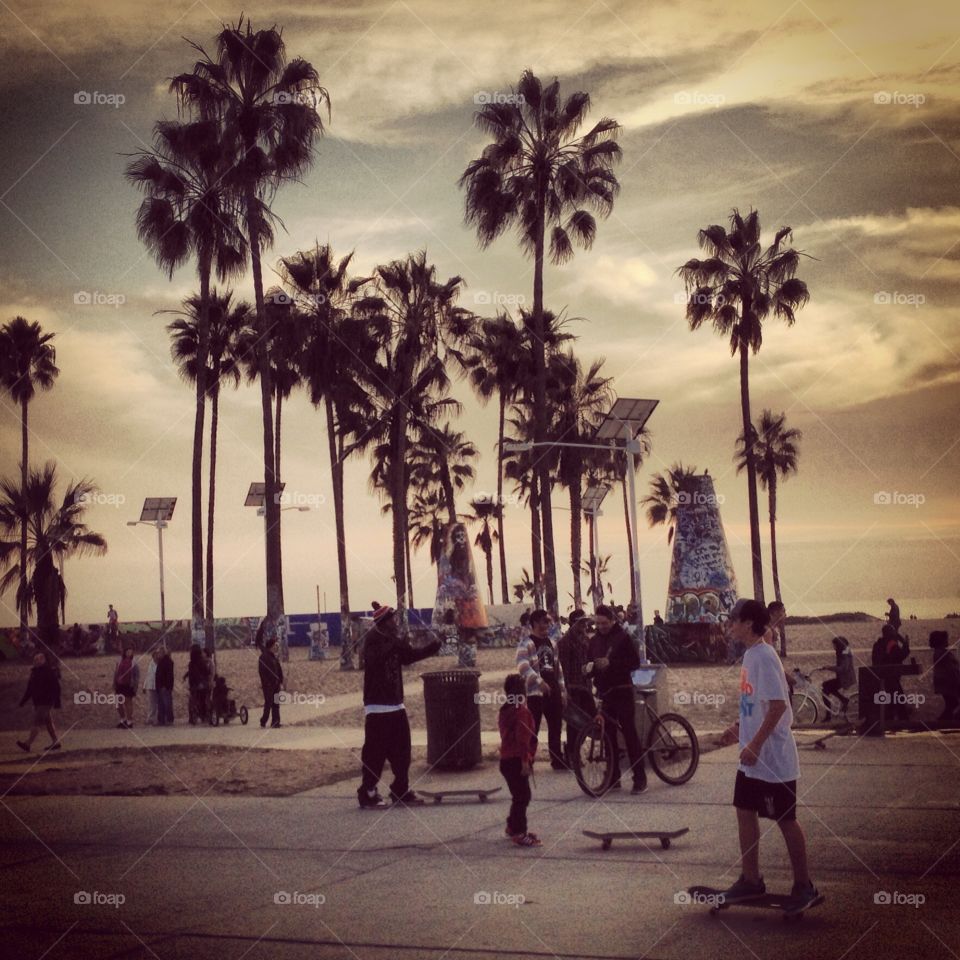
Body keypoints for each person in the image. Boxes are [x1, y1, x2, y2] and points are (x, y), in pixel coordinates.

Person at [716, 599, 819, 914]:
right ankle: (750, 879)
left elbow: (777, 707)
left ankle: (804, 886)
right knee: (744, 810)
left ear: (748, 623)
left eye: (733, 620)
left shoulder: (764, 656)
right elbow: (756, 704)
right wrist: (738, 728)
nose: (729, 625)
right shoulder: (750, 656)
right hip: (751, 758)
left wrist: (756, 744)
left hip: (771, 759)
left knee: (785, 819)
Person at [357, 602, 442, 808]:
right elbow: (373, 659)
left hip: (396, 704)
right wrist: (395, 642)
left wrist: (432, 648)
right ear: (384, 623)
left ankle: (400, 789)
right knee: (375, 753)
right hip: (377, 707)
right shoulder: (372, 639)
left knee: (402, 752)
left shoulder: (392, 639)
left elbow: (408, 657)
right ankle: (367, 792)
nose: (396, 623)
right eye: (392, 619)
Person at [587, 604, 647, 793]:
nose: (601, 626)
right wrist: (589, 669)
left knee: (629, 734)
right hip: (605, 693)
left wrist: (611, 663)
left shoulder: (623, 637)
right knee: (608, 735)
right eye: (598, 623)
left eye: (604, 623)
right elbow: (592, 663)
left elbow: (634, 663)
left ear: (612, 620)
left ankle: (640, 779)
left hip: (622, 690)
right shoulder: (594, 640)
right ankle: (614, 777)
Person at [516, 609, 567, 770]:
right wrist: (539, 682)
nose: (548, 624)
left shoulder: (552, 643)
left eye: (548, 621)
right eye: (545, 621)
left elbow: (558, 667)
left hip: (554, 692)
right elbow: (523, 667)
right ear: (536, 623)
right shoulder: (526, 643)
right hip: (535, 694)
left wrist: (562, 691)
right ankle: (528, 760)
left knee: (555, 727)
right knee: (533, 728)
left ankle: (557, 759)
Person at [498, 673, 540, 846]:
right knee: (523, 796)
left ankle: (512, 825)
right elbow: (523, 739)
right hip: (517, 759)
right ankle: (519, 832)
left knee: (518, 795)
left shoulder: (505, 710)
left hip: (506, 759)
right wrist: (525, 761)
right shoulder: (522, 712)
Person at [557, 610, 595, 765]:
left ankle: (573, 749)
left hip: (586, 687)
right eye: (581, 622)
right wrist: (565, 690)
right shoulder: (565, 642)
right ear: (573, 623)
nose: (584, 625)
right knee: (574, 723)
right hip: (573, 687)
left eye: (585, 622)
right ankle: (572, 753)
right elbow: (563, 668)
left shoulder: (587, 640)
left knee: (588, 720)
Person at [16, 652, 62, 752]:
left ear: (44, 660)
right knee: (48, 722)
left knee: (36, 722)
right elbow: (30, 689)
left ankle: (28, 744)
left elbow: (56, 687)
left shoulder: (48, 671)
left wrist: (57, 702)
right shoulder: (34, 672)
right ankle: (56, 742)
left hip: (45, 702)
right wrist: (23, 701)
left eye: (39, 659)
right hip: (38, 702)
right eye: (35, 659)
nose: (36, 661)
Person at [872, 624, 911, 726]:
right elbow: (900, 656)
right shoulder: (891, 644)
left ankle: (889, 719)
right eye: (894, 631)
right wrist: (906, 643)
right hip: (891, 675)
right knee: (899, 698)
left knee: (891, 698)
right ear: (891, 633)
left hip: (881, 675)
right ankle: (902, 721)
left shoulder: (877, 644)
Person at [820, 637, 856, 721]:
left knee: (826, 688)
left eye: (834, 645)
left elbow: (843, 668)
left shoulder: (844, 654)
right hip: (843, 678)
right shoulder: (842, 652)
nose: (833, 647)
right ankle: (829, 714)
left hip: (845, 679)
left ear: (838, 645)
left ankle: (843, 701)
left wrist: (829, 667)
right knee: (825, 687)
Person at [929, 631, 960, 728]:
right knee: (953, 703)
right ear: (941, 641)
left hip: (943, 683)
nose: (948, 641)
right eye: (946, 639)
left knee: (951, 703)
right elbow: (951, 669)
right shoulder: (943, 653)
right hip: (948, 683)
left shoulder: (938, 652)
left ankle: (946, 722)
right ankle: (945, 722)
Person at [258, 637, 284, 728]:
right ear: (270, 646)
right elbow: (262, 672)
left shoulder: (274, 657)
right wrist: (266, 683)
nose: (276, 647)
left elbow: (279, 670)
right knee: (268, 703)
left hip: (276, 684)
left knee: (276, 703)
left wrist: (281, 681)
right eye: (275, 645)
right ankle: (263, 720)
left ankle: (275, 722)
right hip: (268, 685)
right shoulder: (263, 657)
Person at [113, 646, 139, 729]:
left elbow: (136, 676)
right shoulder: (119, 661)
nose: (129, 653)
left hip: (129, 684)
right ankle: (122, 719)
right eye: (128, 652)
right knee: (118, 702)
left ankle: (129, 721)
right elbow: (116, 672)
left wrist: (135, 686)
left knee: (128, 702)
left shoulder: (134, 662)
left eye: (131, 652)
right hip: (120, 684)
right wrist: (114, 682)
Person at [184, 646, 210, 724]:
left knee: (193, 700)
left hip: (193, 685)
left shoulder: (191, 663)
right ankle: (203, 716)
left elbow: (192, 673)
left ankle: (192, 717)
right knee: (202, 700)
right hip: (201, 684)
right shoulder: (202, 662)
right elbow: (206, 672)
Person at [155, 647, 174, 725]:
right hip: (160, 686)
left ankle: (169, 720)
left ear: (162, 653)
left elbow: (169, 675)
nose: (157, 655)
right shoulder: (161, 662)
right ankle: (161, 720)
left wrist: (165, 685)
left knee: (167, 703)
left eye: (159, 653)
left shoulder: (167, 662)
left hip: (165, 686)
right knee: (161, 704)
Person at [143, 649, 159, 725]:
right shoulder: (151, 664)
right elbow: (148, 675)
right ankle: (150, 718)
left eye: (157, 655)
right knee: (151, 703)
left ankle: (156, 719)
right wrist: (144, 686)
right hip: (150, 686)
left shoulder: (160, 664)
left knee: (158, 703)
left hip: (157, 686)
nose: (155, 657)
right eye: (154, 655)